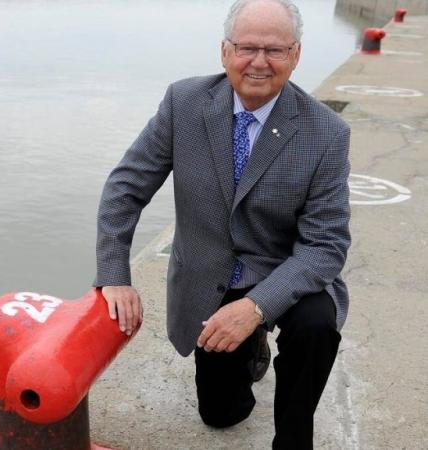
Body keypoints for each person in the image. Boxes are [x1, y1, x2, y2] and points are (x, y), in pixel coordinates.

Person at [94, 0, 351, 448]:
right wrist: (114, 275)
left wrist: (255, 308)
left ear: (295, 55)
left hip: (283, 270)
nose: (258, 62)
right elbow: (125, 188)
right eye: (247, 47)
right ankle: (254, 356)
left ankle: (293, 438)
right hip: (210, 274)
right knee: (221, 415)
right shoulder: (184, 103)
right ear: (224, 50)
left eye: (274, 50)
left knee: (316, 325)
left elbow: (325, 246)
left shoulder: (326, 132)